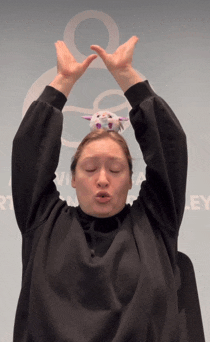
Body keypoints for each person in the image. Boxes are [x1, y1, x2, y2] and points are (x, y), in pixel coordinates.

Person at [12, 36, 188, 341]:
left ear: (132, 179)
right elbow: (29, 154)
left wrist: (127, 77)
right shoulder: (44, 223)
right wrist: (63, 81)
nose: (103, 179)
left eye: (116, 169)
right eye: (90, 169)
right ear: (74, 178)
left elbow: (170, 149)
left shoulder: (154, 223)